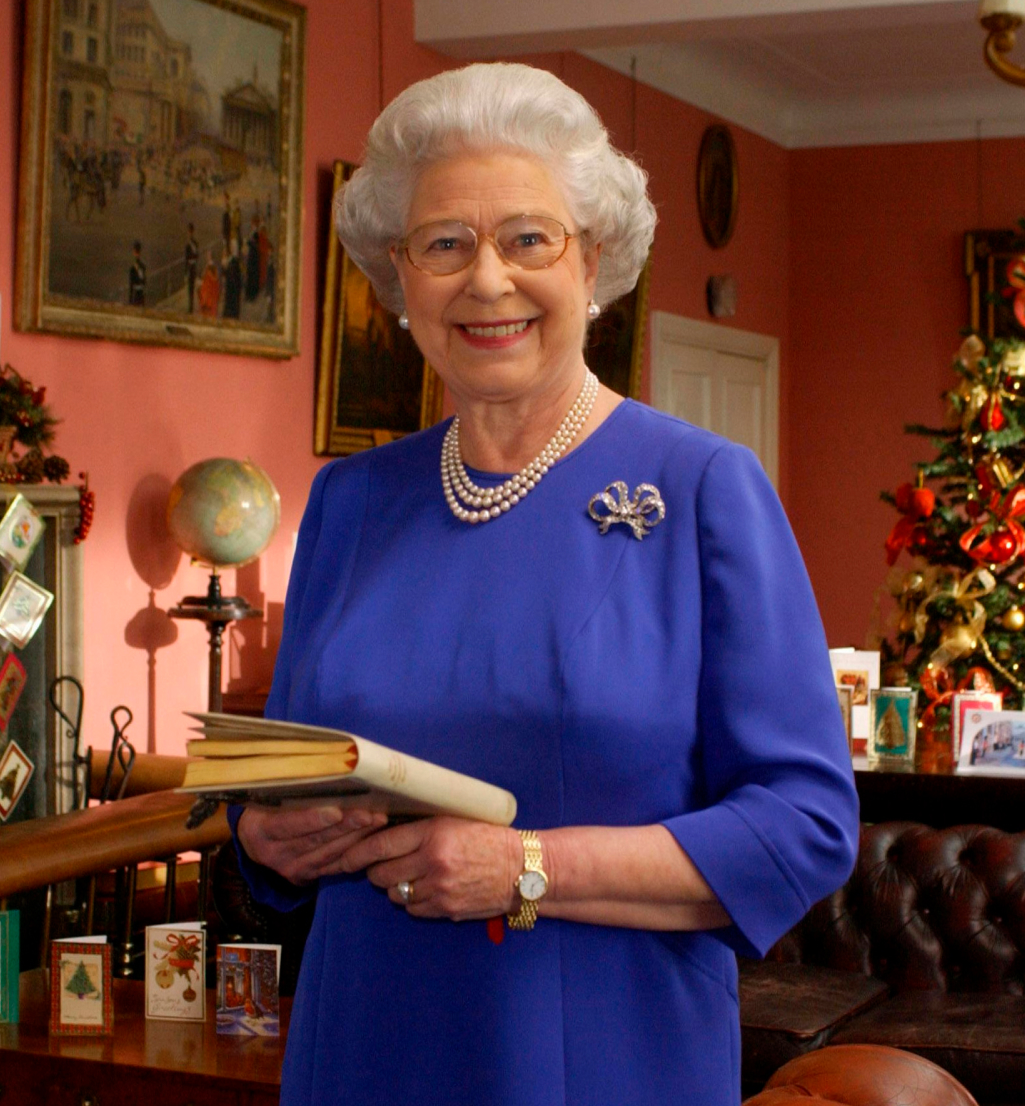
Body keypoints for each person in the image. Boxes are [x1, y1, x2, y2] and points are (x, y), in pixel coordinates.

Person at [232, 62, 859, 1106]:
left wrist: (528, 868)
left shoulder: (702, 489)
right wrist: (265, 838)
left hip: (601, 1057)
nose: (487, 281)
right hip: (363, 1045)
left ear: (594, 261)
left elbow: (805, 826)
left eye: (529, 238)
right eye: (444, 244)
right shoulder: (350, 500)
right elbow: (289, 774)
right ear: (399, 276)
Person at [184, 223, 199, 313]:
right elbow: (190, 257)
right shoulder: (192, 244)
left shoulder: (191, 244)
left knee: (191, 287)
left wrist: (186, 271)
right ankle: (190, 306)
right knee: (190, 287)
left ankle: (191, 307)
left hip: (191, 266)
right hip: (192, 266)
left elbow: (189, 257)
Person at [128, 241, 145, 306]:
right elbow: (143, 280)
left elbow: (132, 282)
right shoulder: (142, 265)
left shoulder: (134, 266)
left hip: (136, 292)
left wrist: (130, 298)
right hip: (141, 291)